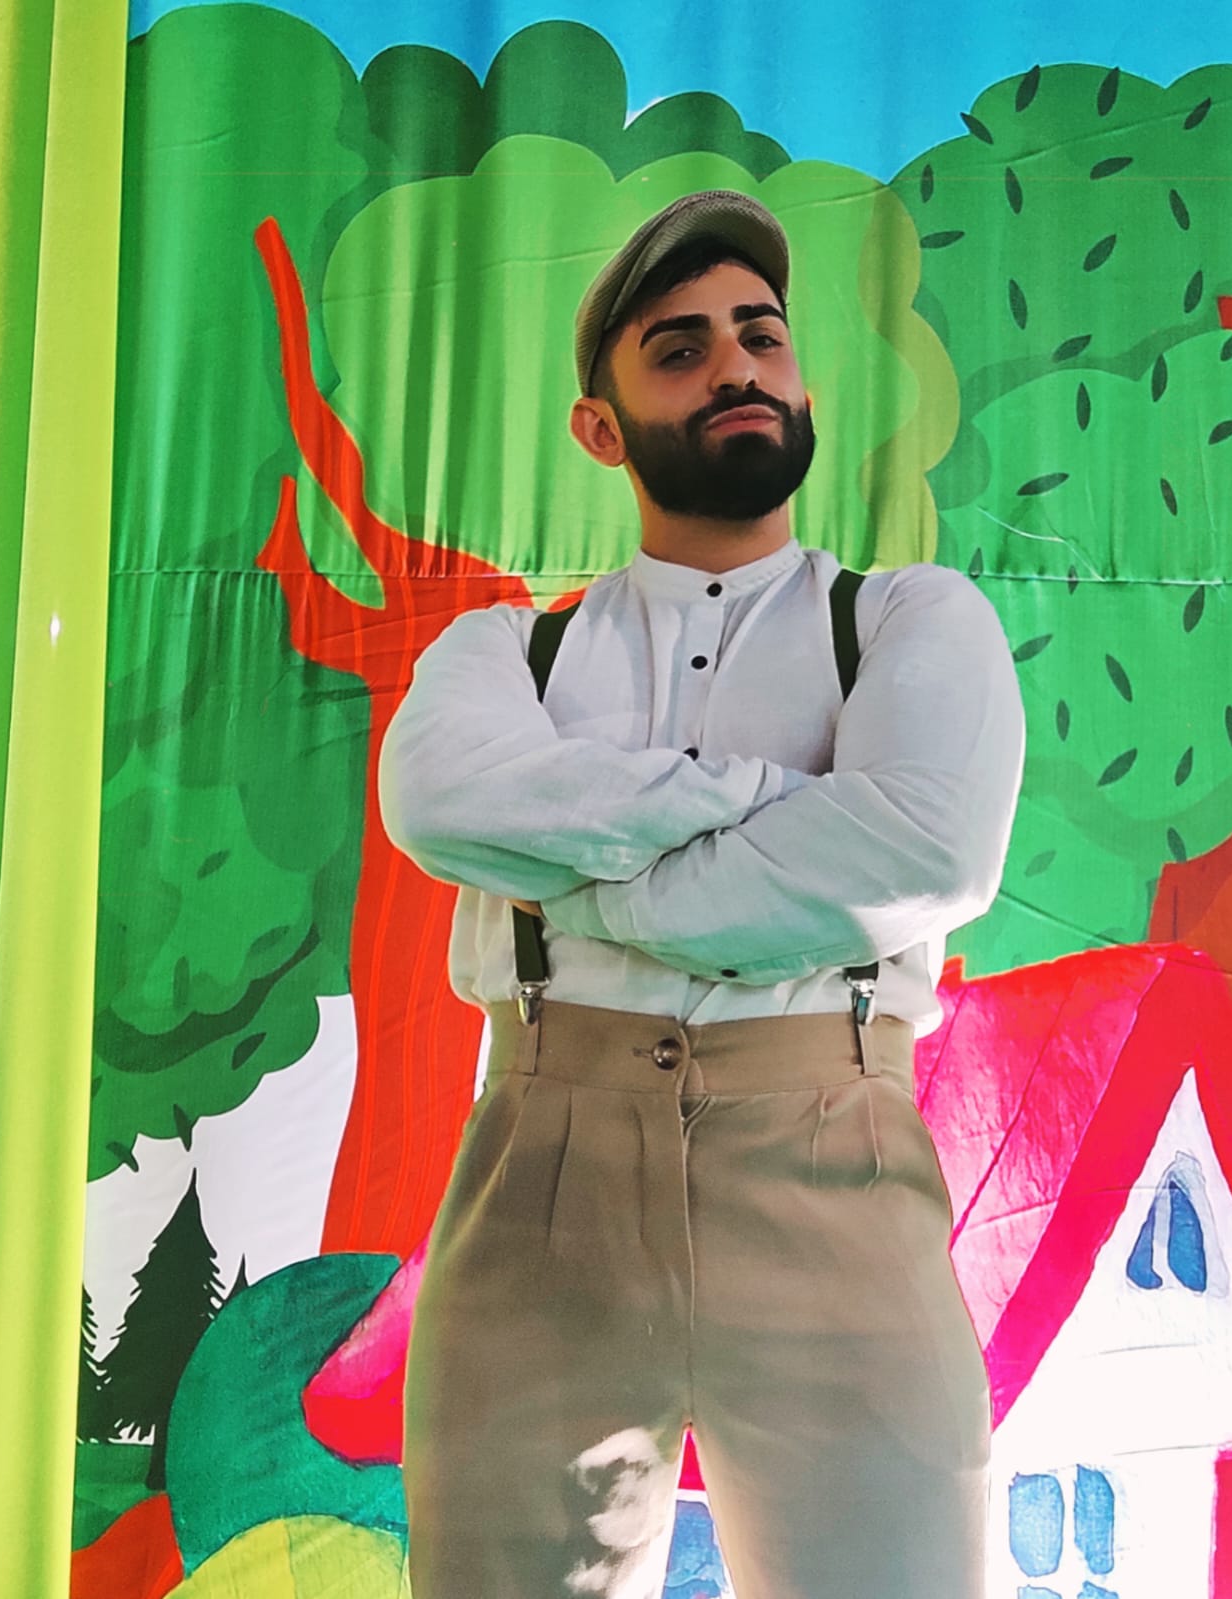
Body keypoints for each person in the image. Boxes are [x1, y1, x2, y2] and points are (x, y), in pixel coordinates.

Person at [380, 189, 1026, 1599]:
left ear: (800, 386)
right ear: (600, 429)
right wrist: (758, 797)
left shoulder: (913, 618)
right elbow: (438, 805)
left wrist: (589, 886)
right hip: (541, 1181)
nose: (735, 365)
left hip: (835, 1169)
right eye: (679, 350)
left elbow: (925, 851)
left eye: (761, 337)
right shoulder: (503, 654)